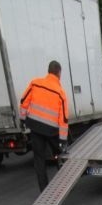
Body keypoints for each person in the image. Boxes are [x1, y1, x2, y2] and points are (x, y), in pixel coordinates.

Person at [19, 60, 69, 192]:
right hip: (51, 130)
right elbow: (63, 119)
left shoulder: (35, 83)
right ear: (59, 73)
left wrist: (22, 119)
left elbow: (24, 101)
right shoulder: (60, 93)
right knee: (59, 155)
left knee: (39, 159)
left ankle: (44, 189)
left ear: (48, 71)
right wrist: (63, 140)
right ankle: (65, 183)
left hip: (35, 127)